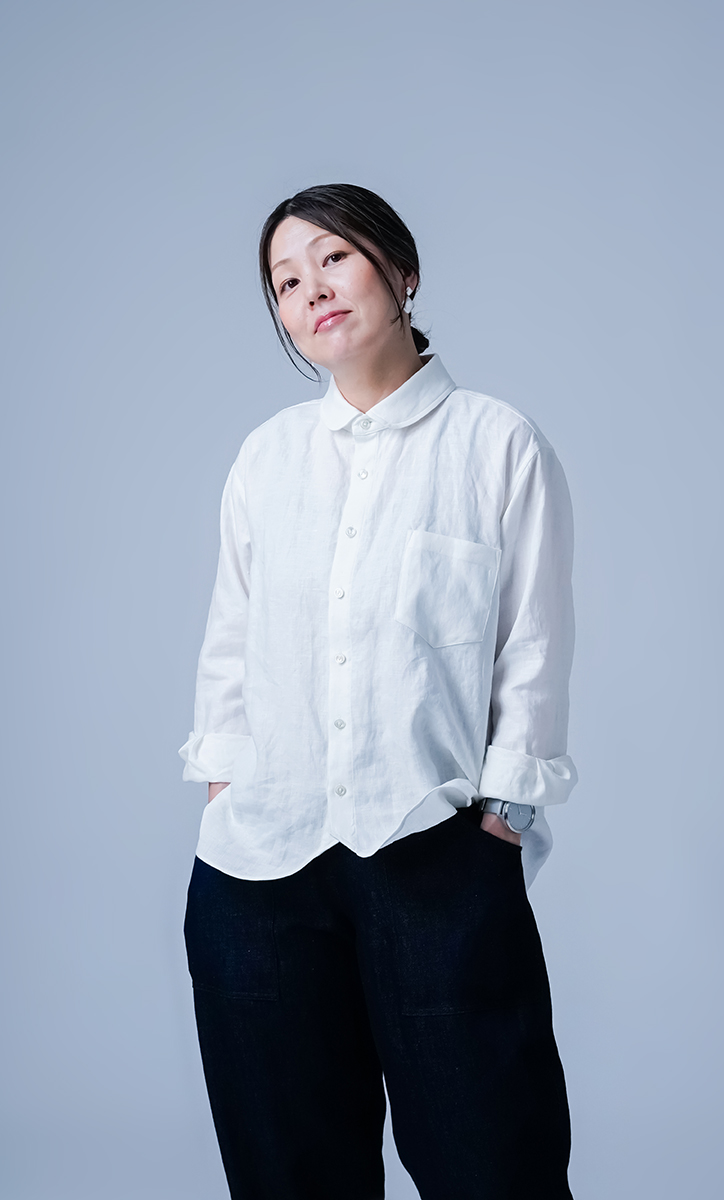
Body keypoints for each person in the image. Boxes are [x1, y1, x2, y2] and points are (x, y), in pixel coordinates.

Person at [179, 183, 578, 1200]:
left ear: (402, 271)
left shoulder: (496, 444)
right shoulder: (266, 460)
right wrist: (224, 793)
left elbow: (532, 650)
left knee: (494, 1166)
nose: (311, 289)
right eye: (285, 281)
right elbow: (230, 646)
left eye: (333, 258)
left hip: (434, 857)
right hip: (260, 873)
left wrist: (501, 821)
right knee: (289, 1176)